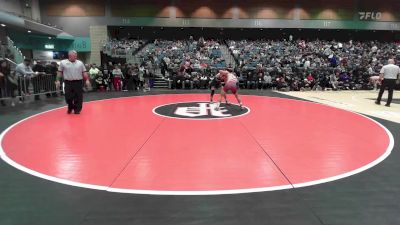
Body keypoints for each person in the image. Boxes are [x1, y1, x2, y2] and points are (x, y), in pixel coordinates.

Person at [55, 50, 90, 114]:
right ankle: (71, 107)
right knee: (68, 97)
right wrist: (57, 80)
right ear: (69, 56)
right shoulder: (63, 62)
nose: (76, 57)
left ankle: (77, 110)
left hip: (78, 82)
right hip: (68, 82)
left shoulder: (80, 63)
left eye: (76, 55)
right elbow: (59, 72)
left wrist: (87, 80)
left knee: (78, 97)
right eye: (74, 55)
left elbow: (84, 72)